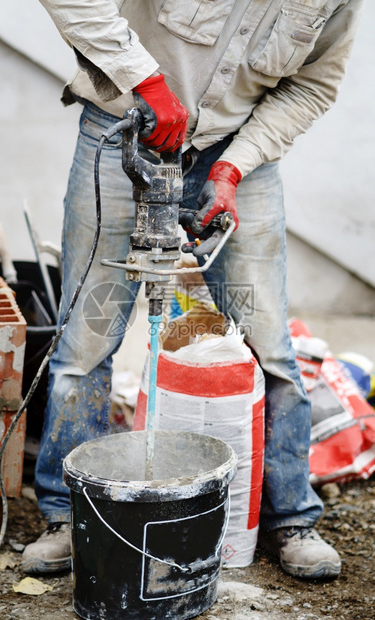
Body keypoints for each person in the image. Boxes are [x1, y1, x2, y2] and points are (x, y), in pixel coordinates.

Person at [22, 0, 364, 580]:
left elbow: (311, 87)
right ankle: (66, 514)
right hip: (125, 126)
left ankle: (291, 517)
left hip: (237, 151)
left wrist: (233, 169)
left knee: (269, 347)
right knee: (87, 340)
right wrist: (144, 78)